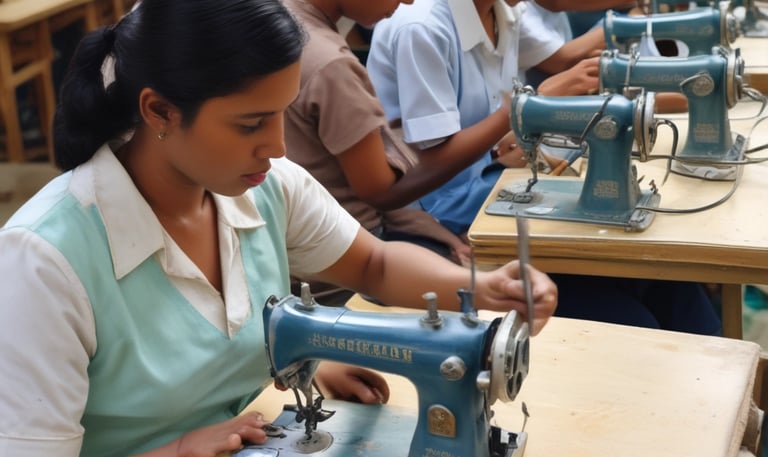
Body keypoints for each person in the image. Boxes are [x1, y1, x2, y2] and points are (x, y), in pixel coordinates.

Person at [0, 1, 558, 456]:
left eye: (281, 114)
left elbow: (374, 264)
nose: (278, 146)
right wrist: (178, 450)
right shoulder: (44, 261)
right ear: (160, 112)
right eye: (250, 124)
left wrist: (482, 287)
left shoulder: (264, 186)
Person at [367, 0, 721, 335]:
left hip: (488, 189)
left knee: (675, 287)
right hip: (439, 224)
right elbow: (428, 172)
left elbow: (483, 143)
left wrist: (512, 131)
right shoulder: (422, 28)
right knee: (634, 319)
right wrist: (524, 108)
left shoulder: (504, 15)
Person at [283, 0, 479, 305]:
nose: (410, 1)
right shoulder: (328, 63)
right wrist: (507, 115)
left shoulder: (280, 21)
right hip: (341, 279)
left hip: (324, 253)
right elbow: (383, 193)